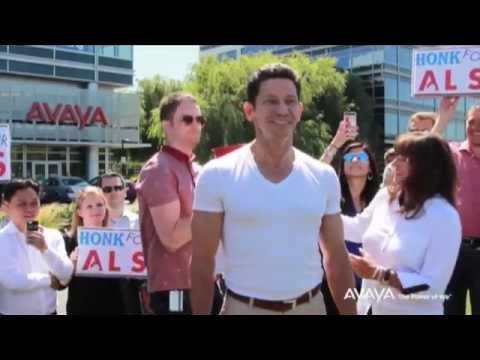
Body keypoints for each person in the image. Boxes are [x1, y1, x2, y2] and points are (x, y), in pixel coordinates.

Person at [191, 63, 356, 315]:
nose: (282, 110)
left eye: (290, 101)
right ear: (249, 110)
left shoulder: (323, 176)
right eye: (270, 101)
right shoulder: (217, 175)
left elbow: (337, 259)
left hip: (310, 307)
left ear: (299, 111)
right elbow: (202, 264)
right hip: (243, 308)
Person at [342, 133, 461, 315]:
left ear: (427, 167)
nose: (394, 164)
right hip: (369, 309)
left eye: (404, 159)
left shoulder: (445, 216)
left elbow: (433, 287)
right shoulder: (385, 197)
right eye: (396, 156)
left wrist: (380, 274)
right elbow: (357, 228)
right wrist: (320, 214)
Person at [136, 92, 222, 315]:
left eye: (199, 119)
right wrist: (216, 210)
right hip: (174, 290)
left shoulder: (196, 169)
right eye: (187, 119)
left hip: (206, 281)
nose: (196, 124)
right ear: (167, 125)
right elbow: (172, 238)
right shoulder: (158, 169)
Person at [432, 96, 480, 315]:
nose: (475, 127)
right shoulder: (451, 153)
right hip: (452, 250)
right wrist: (442, 119)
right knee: (450, 311)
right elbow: (422, 152)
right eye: (471, 121)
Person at [321, 141, 380, 314]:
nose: (355, 160)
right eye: (349, 156)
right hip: (334, 283)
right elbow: (314, 178)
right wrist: (335, 143)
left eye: (361, 156)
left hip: (370, 286)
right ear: (343, 165)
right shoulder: (331, 198)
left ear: (370, 168)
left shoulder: (380, 200)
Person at [0, 179, 73, 315]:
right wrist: (49, 280)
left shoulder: (53, 235)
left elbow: (65, 273)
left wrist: (45, 249)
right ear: (6, 206)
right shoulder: (2, 239)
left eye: (34, 203)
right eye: (22, 204)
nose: (29, 209)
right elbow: (13, 281)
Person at [64, 186, 126, 315]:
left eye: (99, 204)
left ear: (105, 208)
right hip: (81, 306)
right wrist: (71, 264)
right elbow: (60, 282)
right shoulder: (69, 240)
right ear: (79, 212)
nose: (95, 210)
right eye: (89, 206)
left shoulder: (119, 239)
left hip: (114, 305)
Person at [99, 172, 142, 314]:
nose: (113, 192)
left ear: (125, 192)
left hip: (132, 292)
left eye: (117, 188)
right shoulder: (94, 225)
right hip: (101, 292)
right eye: (107, 189)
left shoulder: (140, 223)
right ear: (101, 193)